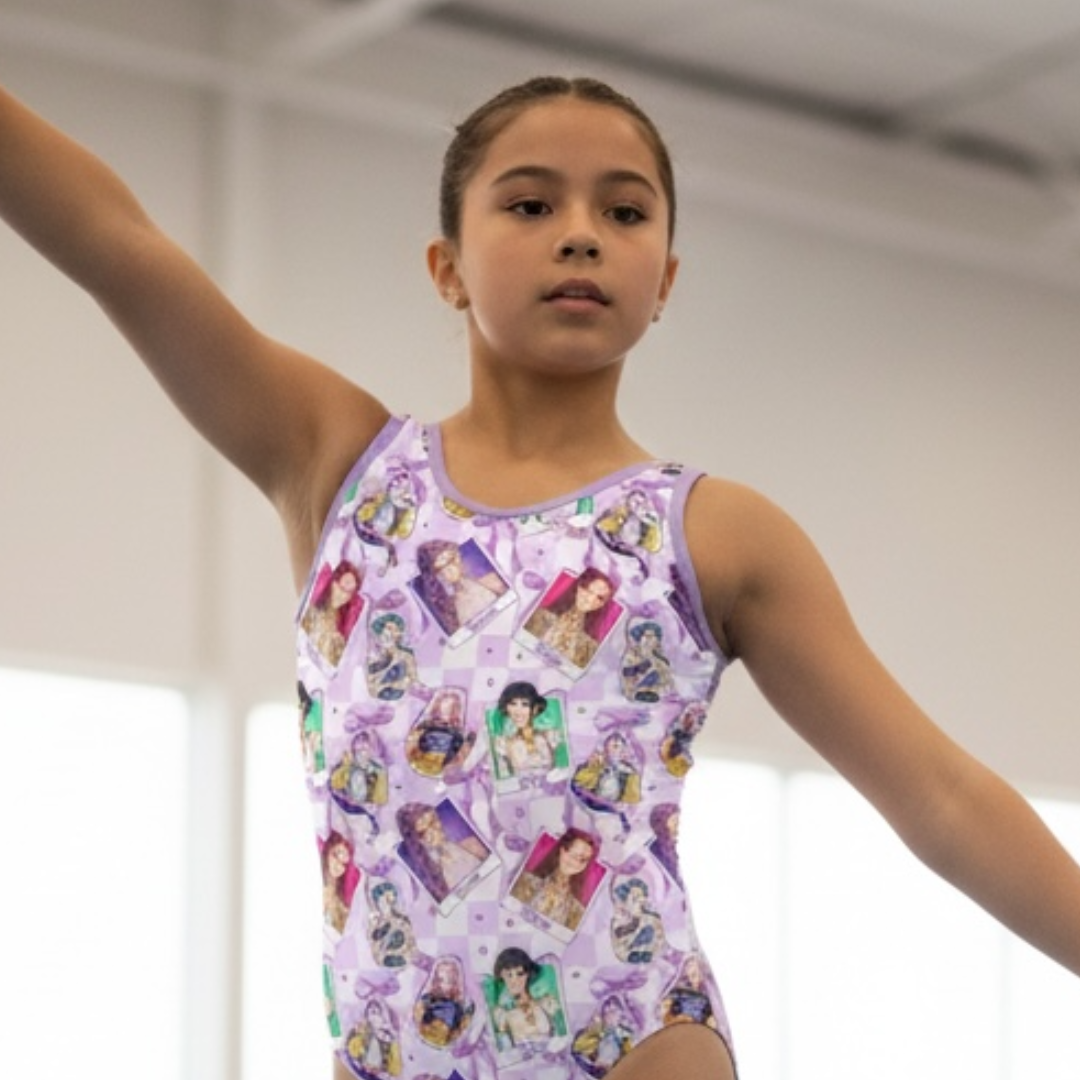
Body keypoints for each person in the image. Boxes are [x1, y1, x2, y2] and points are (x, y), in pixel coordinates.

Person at [2, 71, 1080, 1080]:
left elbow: (939, 795)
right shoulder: (337, 463)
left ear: (665, 280)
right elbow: (118, 246)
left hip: (632, 1037)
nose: (580, 233)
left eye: (625, 211)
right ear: (446, 266)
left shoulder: (715, 533)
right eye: (529, 205)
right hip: (391, 1045)